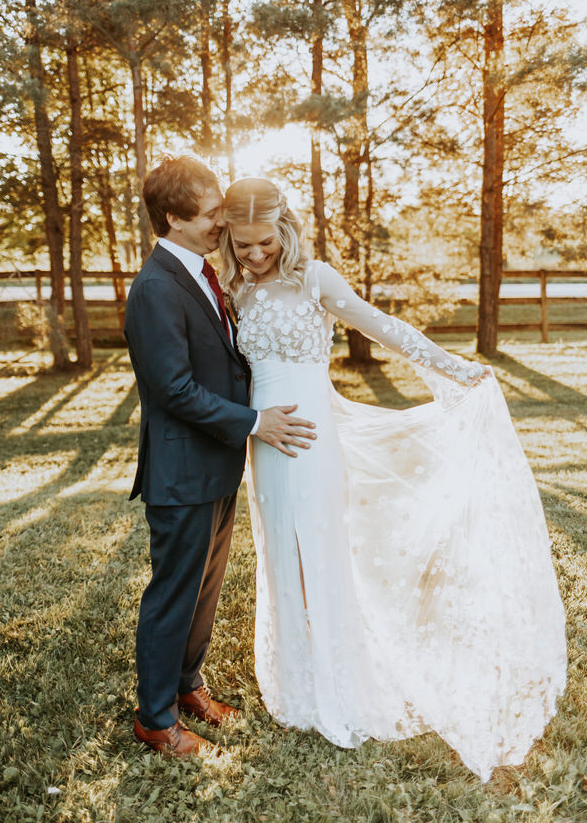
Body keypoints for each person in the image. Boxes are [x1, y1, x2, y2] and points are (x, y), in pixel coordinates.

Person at [219, 176, 567, 782]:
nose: (254, 255)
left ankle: (339, 687)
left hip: (315, 435)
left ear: (285, 228)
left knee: (322, 553)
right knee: (283, 556)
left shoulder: (315, 279)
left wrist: (458, 370)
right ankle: (299, 686)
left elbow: (384, 328)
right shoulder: (232, 287)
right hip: (266, 441)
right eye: (242, 244)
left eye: (264, 243)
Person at [124, 157, 316, 757]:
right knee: (174, 593)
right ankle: (155, 720)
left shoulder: (203, 274)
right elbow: (172, 389)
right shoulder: (156, 286)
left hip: (215, 463)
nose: (220, 226)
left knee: (203, 590)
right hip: (182, 470)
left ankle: (187, 688)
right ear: (175, 219)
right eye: (210, 216)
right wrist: (257, 421)